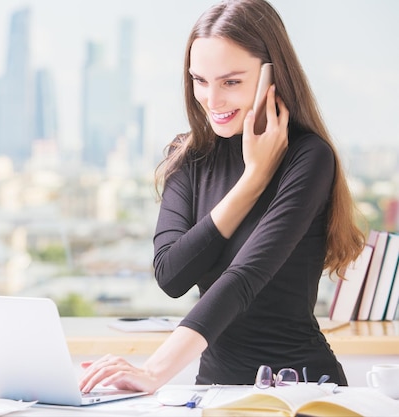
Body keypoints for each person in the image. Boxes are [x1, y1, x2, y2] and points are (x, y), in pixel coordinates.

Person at [79, 0, 365, 394]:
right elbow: (172, 274)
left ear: (271, 76)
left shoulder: (309, 157)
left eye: (231, 82)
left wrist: (155, 371)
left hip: (301, 390)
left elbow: (245, 277)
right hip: (214, 390)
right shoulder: (188, 156)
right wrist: (253, 179)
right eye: (200, 80)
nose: (212, 100)